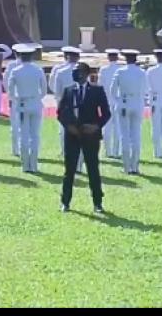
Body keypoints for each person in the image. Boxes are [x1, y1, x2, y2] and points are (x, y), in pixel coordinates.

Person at [57, 62, 110, 214]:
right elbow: (61, 112)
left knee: (93, 169)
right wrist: (69, 126)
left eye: (78, 71)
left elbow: (106, 113)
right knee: (70, 170)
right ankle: (65, 202)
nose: (75, 74)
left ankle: (97, 202)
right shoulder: (69, 90)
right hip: (72, 134)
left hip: (90, 135)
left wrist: (96, 126)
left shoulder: (97, 91)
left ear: (86, 74)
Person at [7, 43, 46, 173]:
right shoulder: (38, 69)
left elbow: (10, 90)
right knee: (35, 135)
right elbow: (44, 90)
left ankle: (25, 165)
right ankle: (33, 164)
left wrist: (16, 99)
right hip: (35, 102)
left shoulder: (16, 70)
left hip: (22, 103)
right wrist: (37, 97)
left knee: (23, 134)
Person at [110, 49, 146, 175]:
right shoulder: (141, 72)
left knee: (124, 135)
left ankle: (126, 167)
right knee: (136, 135)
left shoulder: (120, 71)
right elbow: (145, 90)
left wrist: (118, 101)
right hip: (137, 102)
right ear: (135, 59)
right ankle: (135, 166)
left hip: (124, 102)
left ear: (125, 59)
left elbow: (112, 91)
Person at [51, 46, 82, 155]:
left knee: (64, 129)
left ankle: (65, 150)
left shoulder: (60, 71)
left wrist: (59, 101)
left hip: (65, 103)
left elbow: (56, 89)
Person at [99, 49, 123, 159]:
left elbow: (100, 86)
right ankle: (116, 151)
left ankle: (108, 151)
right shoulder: (121, 69)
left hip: (106, 100)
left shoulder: (103, 70)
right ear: (117, 58)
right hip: (119, 101)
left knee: (107, 128)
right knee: (118, 128)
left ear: (108, 58)